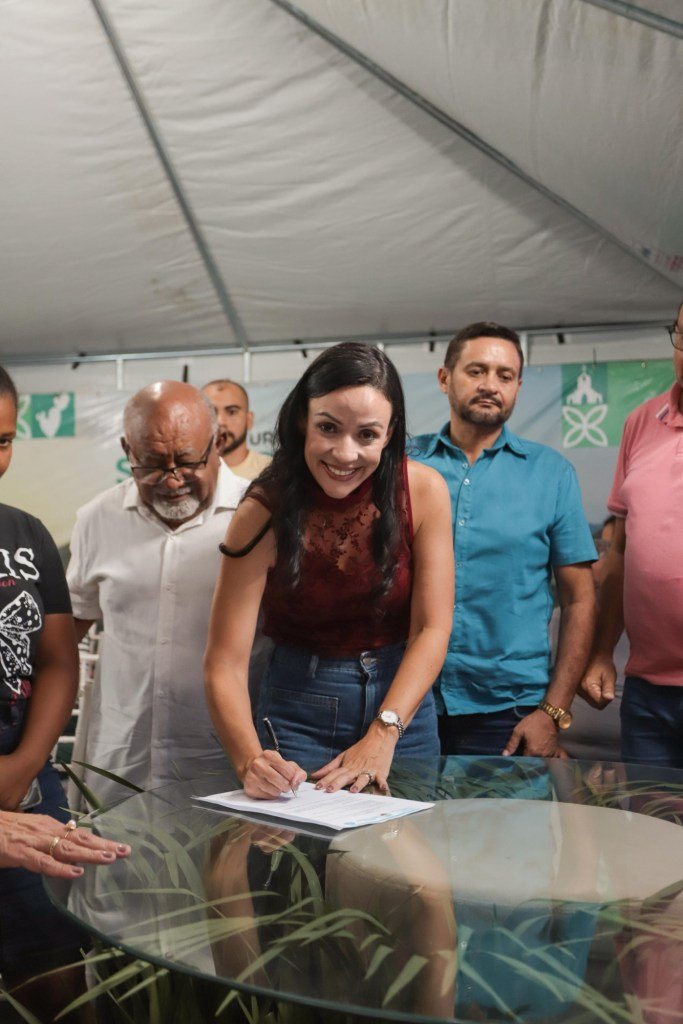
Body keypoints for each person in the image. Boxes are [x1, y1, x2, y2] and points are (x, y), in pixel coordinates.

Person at [204, 342, 453, 798]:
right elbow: (224, 662)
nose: (344, 453)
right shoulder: (263, 510)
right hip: (297, 712)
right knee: (296, 845)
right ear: (303, 420)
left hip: (404, 712)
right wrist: (249, 761)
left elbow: (432, 629)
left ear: (390, 433)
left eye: (367, 435)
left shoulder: (424, 491)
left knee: (405, 844)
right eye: (328, 427)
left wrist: (385, 731)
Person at [0, 365, 130, 1022]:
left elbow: (55, 663)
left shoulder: (27, 537)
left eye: (2, 441)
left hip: (21, 769)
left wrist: (22, 767)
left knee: (52, 970)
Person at [410, 322, 596, 758]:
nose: (490, 385)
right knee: (398, 808)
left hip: (509, 713)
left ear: (518, 387)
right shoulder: (404, 463)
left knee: (502, 810)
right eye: (476, 371)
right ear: (444, 378)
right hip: (407, 703)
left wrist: (552, 712)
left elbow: (580, 600)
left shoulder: (551, 473)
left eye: (505, 375)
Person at [66, 381, 248, 809]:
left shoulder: (256, 514)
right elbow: (67, 633)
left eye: (187, 461)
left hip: (227, 765)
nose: (172, 479)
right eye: (151, 463)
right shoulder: (98, 519)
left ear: (217, 443)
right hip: (120, 763)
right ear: (127, 450)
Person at [581, 302, 683, 768]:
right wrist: (603, 651)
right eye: (682, 334)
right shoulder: (641, 422)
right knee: (648, 814)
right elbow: (620, 554)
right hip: (647, 693)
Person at [202, 378, 272, 480]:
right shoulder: (185, 474)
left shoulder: (272, 471)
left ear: (249, 420)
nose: (220, 422)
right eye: (211, 412)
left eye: (232, 412)